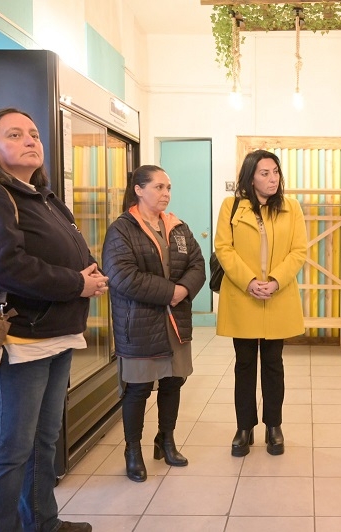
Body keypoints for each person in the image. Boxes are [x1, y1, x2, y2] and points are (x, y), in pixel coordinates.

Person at [0, 107, 108, 532]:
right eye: (15, 135)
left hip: (54, 336)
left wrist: (89, 273)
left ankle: (42, 522)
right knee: (9, 450)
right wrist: (76, 283)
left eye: (34, 134)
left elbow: (68, 250)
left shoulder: (40, 196)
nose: (31, 141)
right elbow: (1, 266)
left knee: (42, 443)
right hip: (16, 340)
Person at [102, 165, 205, 482]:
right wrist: (170, 292)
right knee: (138, 389)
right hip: (140, 324)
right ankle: (133, 451)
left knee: (174, 382)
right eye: (159, 187)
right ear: (138, 189)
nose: (166, 194)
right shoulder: (122, 229)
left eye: (168, 188)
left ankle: (166, 440)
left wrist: (185, 289)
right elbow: (122, 277)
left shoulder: (177, 227)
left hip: (175, 322)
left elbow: (197, 263)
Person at [214, 150, 307, 457]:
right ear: (250, 176)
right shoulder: (231, 206)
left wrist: (277, 280)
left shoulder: (291, 208)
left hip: (278, 296)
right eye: (265, 173)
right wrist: (250, 281)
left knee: (273, 365)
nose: (272, 179)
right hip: (243, 296)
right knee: (243, 365)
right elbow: (223, 249)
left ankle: (273, 426)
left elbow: (299, 251)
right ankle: (244, 428)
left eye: (275, 172)